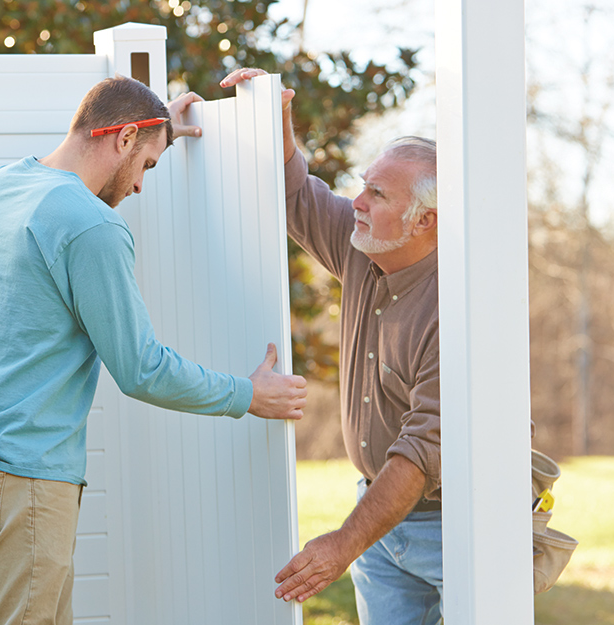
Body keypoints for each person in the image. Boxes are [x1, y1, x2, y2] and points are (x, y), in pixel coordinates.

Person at [0, 75, 308, 625]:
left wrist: (160, 131)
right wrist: (249, 394)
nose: (139, 186)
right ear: (123, 137)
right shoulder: (90, 225)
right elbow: (142, 370)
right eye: (147, 165)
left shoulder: (2, 186)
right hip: (26, 482)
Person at [221, 68, 442, 624]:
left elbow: (421, 451)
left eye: (376, 193)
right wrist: (278, 123)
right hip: (382, 516)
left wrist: (343, 544)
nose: (358, 201)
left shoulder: (455, 307)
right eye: (363, 185)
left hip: (456, 523)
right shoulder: (363, 248)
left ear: (425, 220)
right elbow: (299, 196)